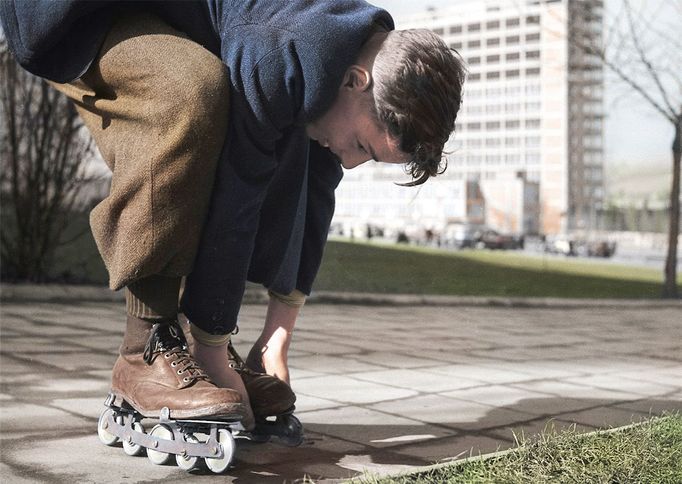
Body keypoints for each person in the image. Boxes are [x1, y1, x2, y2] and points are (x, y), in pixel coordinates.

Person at [1, 0, 465, 436]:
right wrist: (210, 348)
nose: (351, 162)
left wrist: (278, 333)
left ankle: (195, 343)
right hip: (81, 14)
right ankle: (142, 350)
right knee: (189, 92)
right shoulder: (281, 46)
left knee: (291, 134)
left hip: (178, 17)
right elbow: (236, 200)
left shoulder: (348, 48)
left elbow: (318, 184)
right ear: (356, 81)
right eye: (363, 147)